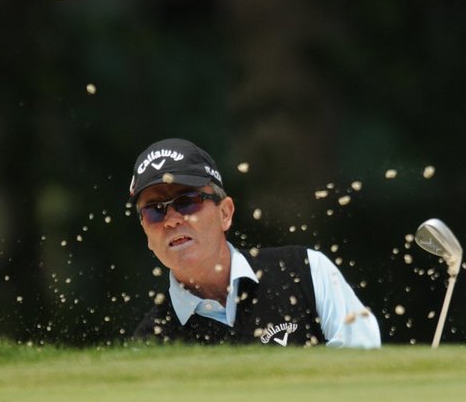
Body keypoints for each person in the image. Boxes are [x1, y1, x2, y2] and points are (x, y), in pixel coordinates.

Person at [128, 138, 381, 348]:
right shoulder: (153, 341)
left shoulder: (305, 271)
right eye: (154, 211)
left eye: (186, 202)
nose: (171, 220)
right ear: (146, 235)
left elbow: (364, 370)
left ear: (224, 213)